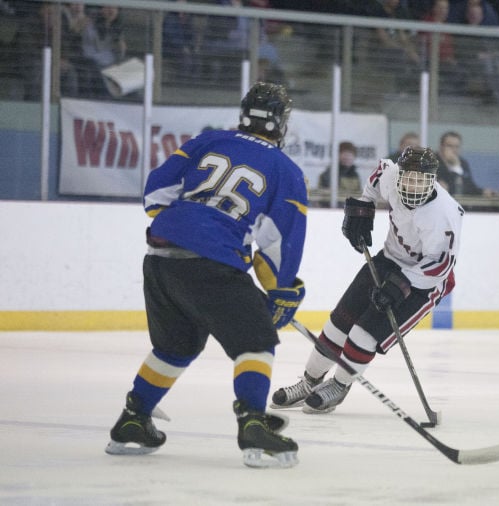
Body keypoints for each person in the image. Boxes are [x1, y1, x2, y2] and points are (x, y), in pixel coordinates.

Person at [105, 82, 308, 469]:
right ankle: (253, 424)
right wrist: (284, 288)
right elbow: (279, 244)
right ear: (281, 123)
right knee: (256, 340)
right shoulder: (287, 171)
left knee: (176, 347)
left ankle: (133, 420)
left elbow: (155, 195)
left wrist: (193, 226)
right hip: (211, 263)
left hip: (161, 257)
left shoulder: (208, 140)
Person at [269, 146, 463, 413]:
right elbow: (377, 175)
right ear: (401, 174)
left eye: (421, 180)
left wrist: (401, 287)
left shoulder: (444, 214)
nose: (413, 185)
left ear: (432, 180)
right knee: (338, 325)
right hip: (388, 260)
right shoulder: (390, 177)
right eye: (409, 178)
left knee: (363, 334)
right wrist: (363, 208)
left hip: (424, 282)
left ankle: (339, 385)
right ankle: (309, 382)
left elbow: (440, 265)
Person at [435, 131, 497, 197]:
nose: (454, 150)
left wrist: (483, 192)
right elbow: (451, 190)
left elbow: (469, 187)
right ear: (441, 147)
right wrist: (455, 167)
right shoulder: (432, 163)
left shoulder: (463, 163)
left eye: (457, 147)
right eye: (450, 146)